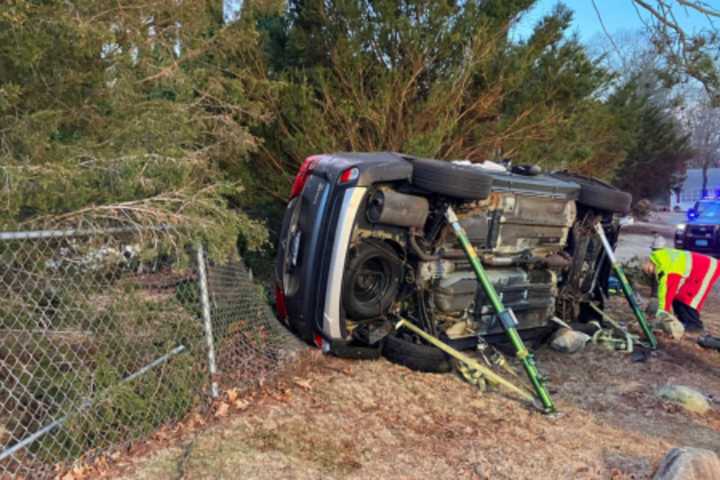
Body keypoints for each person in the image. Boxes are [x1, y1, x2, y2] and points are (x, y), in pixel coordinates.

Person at [642, 236, 720, 332]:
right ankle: (685, 322)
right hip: (699, 268)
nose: (653, 273)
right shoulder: (659, 258)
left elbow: (667, 291)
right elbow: (666, 291)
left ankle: (694, 326)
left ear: (650, 265)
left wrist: (662, 312)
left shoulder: (666, 268)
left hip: (706, 268)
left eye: (650, 271)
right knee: (679, 297)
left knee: (688, 298)